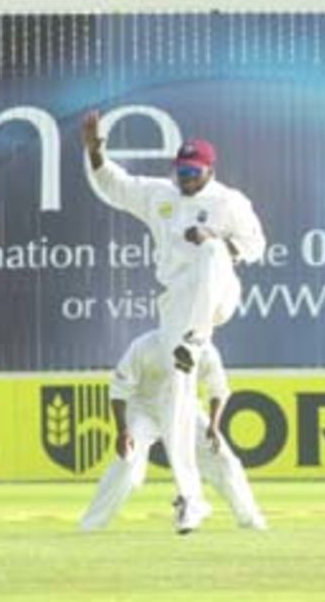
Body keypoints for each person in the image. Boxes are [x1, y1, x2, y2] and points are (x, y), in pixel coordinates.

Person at [81, 112, 266, 532]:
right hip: (176, 308)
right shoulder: (160, 195)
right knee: (179, 401)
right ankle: (190, 499)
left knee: (212, 252)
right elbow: (115, 184)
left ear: (210, 171)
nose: (185, 178)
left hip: (218, 295)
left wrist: (218, 241)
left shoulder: (228, 202)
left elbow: (256, 245)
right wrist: (95, 151)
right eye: (181, 170)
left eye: (193, 172)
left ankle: (196, 337)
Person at [80, 330, 267, 534]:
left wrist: (213, 426)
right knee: (127, 462)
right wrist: (123, 431)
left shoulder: (205, 351)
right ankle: (91, 524)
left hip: (185, 411)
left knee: (223, 459)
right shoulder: (145, 345)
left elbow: (218, 390)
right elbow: (119, 389)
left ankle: (249, 518)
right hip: (144, 411)